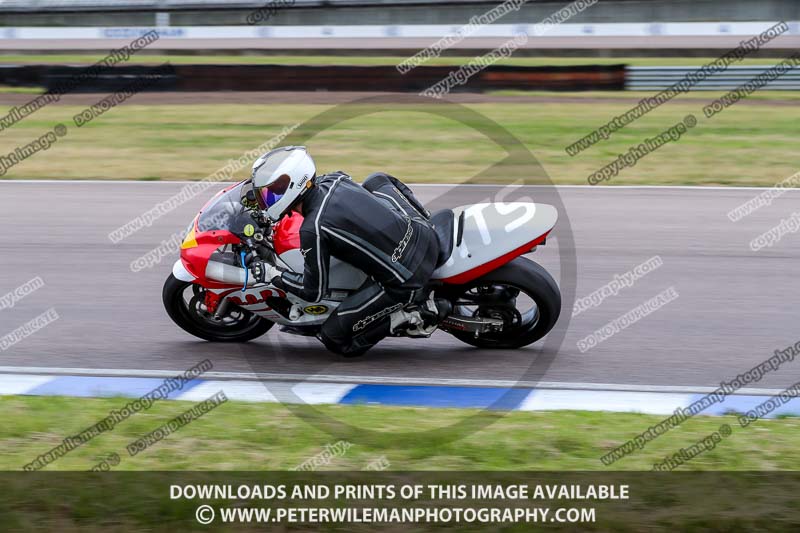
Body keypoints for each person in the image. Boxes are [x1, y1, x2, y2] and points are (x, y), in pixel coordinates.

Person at [243, 146, 450, 356]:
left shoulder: (313, 229)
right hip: (423, 232)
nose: (267, 200)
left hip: (406, 278)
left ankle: (410, 315)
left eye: (271, 193)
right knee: (377, 179)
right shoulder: (334, 179)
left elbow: (312, 292)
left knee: (334, 338)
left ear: (293, 187)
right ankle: (425, 217)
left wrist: (273, 275)